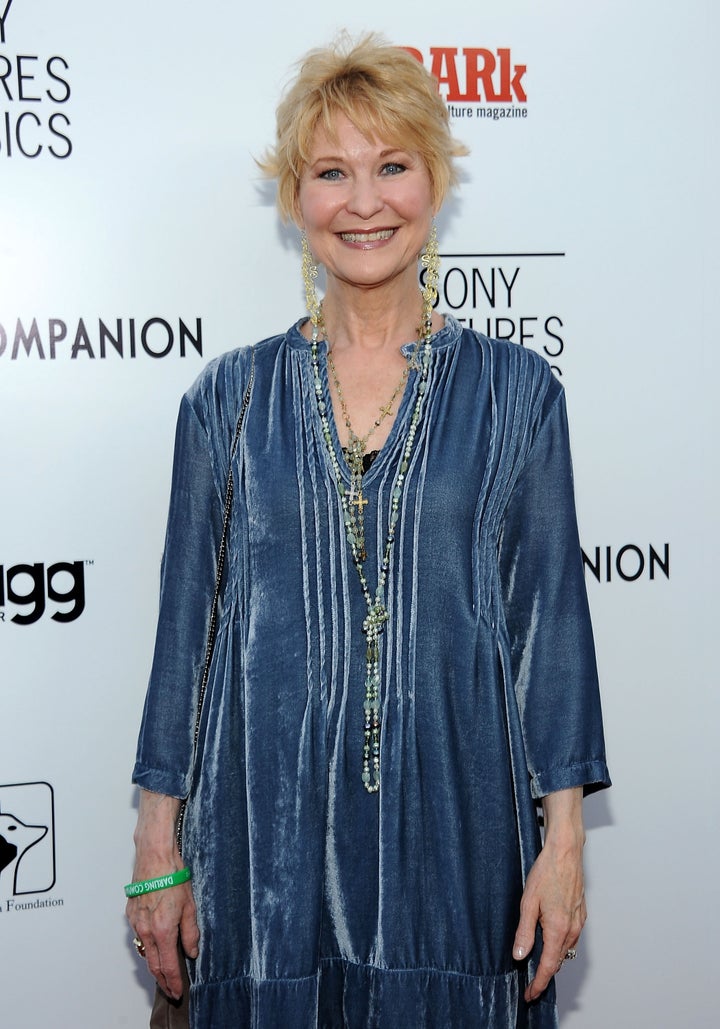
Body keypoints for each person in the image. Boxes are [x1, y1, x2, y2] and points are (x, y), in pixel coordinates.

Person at [126, 33, 610, 1028]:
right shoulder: (226, 399)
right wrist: (154, 850)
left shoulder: (519, 395)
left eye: (392, 165)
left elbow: (550, 635)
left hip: (462, 861)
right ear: (296, 199)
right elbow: (187, 637)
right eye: (332, 172)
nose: (365, 201)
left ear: (434, 180)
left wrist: (563, 848)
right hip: (265, 864)